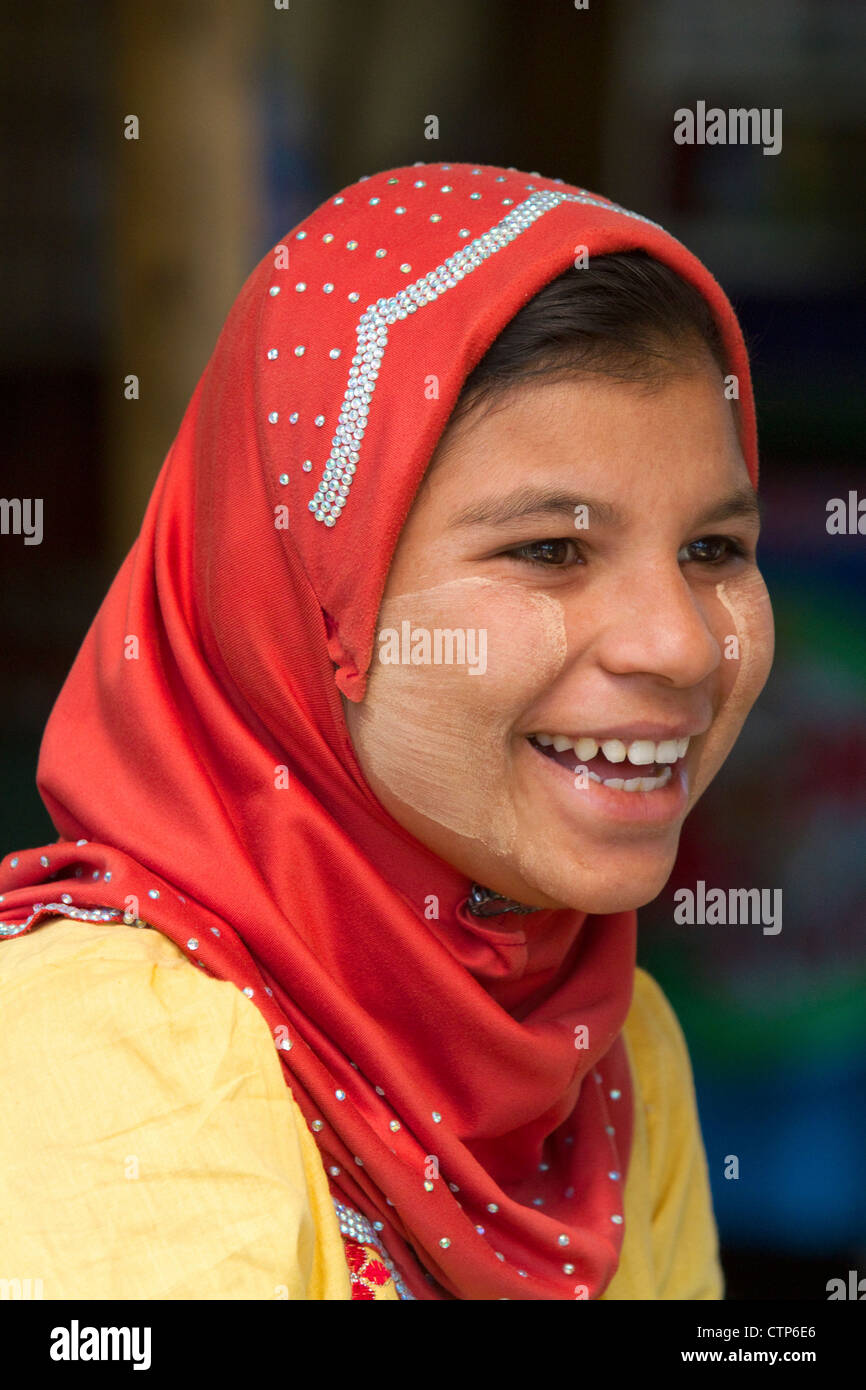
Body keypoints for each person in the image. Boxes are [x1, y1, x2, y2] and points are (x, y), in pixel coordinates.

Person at [0, 161, 773, 1300]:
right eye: (551, 551)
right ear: (309, 607)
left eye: (711, 550)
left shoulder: (607, 1051)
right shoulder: (106, 1053)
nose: (675, 644)